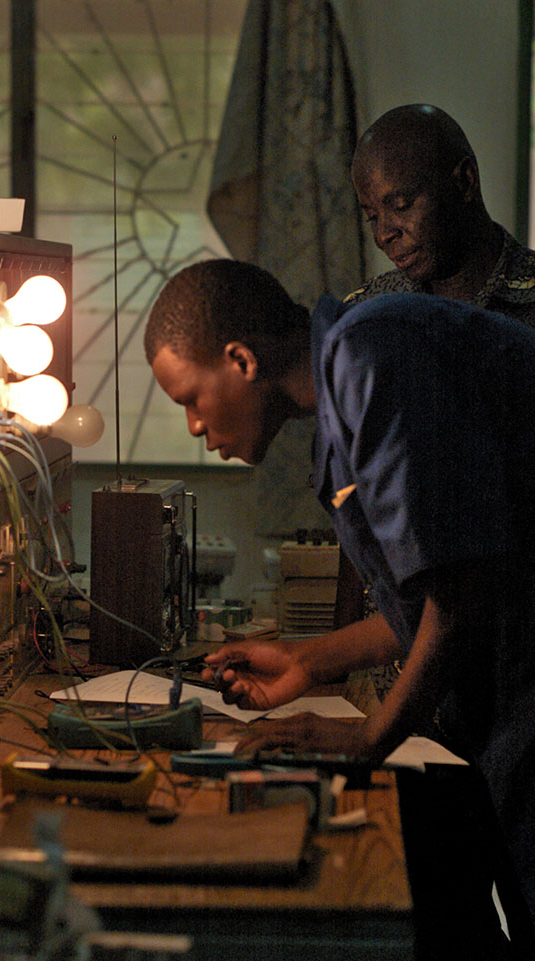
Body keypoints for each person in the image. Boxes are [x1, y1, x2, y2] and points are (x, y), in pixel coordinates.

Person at [145, 258, 535, 956]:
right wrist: (306, 659)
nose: (196, 425)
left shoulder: (370, 351)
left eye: (190, 398)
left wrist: (367, 737)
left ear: (240, 359)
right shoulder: (343, 392)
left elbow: (459, 595)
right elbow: (424, 601)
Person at [346, 103, 535, 326]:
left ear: (465, 180)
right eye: (373, 217)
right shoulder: (364, 315)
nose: (383, 235)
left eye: (401, 206)